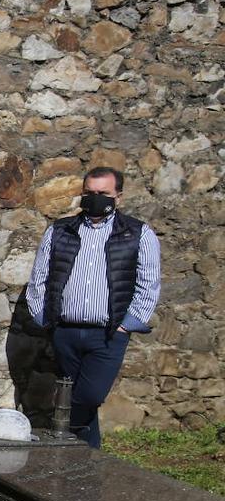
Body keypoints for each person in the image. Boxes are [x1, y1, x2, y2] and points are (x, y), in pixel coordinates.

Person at [25, 167, 161, 448]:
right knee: (76, 400)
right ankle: (88, 460)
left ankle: (59, 444)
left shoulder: (137, 233)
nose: (95, 199)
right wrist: (43, 316)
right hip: (65, 332)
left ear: (118, 197)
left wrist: (128, 323)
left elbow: (149, 284)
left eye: (103, 194)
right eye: (89, 193)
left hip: (108, 335)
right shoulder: (60, 230)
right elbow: (40, 276)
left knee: (88, 398)